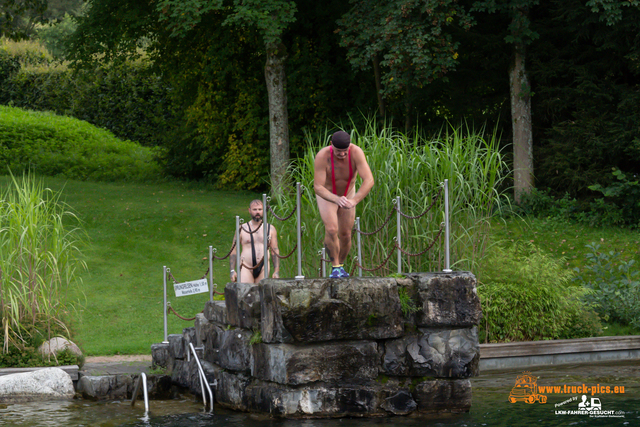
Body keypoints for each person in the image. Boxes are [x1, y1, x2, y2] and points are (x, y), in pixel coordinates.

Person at [313, 130, 374, 278]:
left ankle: (340, 266)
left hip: (348, 194)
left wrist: (354, 200)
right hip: (327, 195)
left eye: (345, 151)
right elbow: (318, 186)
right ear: (331, 145)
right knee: (332, 229)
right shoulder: (323, 155)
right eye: (338, 151)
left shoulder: (356, 153)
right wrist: (335, 199)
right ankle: (335, 266)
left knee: (346, 234)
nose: (342, 154)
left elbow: (369, 180)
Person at [229, 200, 279, 283]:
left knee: (261, 293)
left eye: (260, 209)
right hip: (246, 266)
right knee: (246, 292)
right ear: (249, 210)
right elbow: (233, 250)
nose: (257, 212)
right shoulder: (242, 228)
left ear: (263, 210)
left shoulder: (270, 229)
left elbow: (275, 250)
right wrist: (232, 270)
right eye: (255, 209)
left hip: (264, 267)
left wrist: (276, 271)